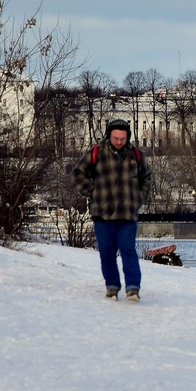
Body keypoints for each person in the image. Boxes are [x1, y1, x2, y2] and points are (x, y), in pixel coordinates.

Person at [73, 118, 153, 301]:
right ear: (109, 136)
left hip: (127, 213)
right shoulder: (96, 153)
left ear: (128, 138)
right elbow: (78, 174)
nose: (119, 142)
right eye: (116, 138)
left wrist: (140, 197)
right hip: (103, 214)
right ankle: (112, 286)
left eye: (122, 138)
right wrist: (93, 191)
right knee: (107, 252)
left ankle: (133, 288)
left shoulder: (136, 155)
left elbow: (146, 177)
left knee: (128, 249)